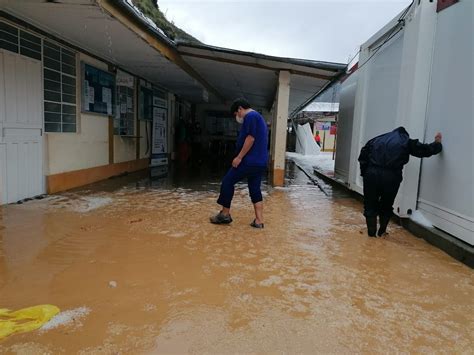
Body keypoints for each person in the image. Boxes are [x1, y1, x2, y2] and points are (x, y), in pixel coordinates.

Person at [358, 127, 442, 237]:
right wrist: (437, 144)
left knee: (370, 205)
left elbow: (363, 156)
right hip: (392, 176)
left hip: (371, 174)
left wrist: (366, 174)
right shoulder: (406, 141)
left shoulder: (376, 140)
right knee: (386, 204)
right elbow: (424, 150)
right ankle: (382, 233)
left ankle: (371, 235)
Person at [210, 98, 268, 228]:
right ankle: (259, 220)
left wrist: (239, 157)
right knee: (254, 189)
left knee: (227, 181)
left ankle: (225, 214)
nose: (237, 117)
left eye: (236, 114)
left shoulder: (251, 116)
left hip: (249, 161)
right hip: (260, 162)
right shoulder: (259, 118)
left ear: (240, 109)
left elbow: (250, 138)